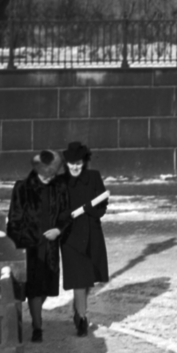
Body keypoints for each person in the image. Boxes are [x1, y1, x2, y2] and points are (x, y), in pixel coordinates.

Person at [6, 150, 69, 342]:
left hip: (49, 245)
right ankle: (37, 326)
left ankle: (36, 316)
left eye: (51, 175)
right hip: (30, 247)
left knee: (46, 288)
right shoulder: (22, 188)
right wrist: (20, 243)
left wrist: (58, 230)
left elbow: (66, 215)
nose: (48, 178)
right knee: (34, 288)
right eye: (45, 175)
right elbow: (14, 220)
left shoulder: (59, 187)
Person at [60, 140, 110, 336]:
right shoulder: (61, 182)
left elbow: (102, 207)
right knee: (79, 279)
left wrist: (92, 209)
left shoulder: (94, 177)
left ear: (84, 162)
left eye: (79, 163)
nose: (75, 167)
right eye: (72, 163)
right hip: (71, 237)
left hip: (91, 235)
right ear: (66, 163)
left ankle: (78, 309)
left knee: (88, 279)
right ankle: (82, 317)